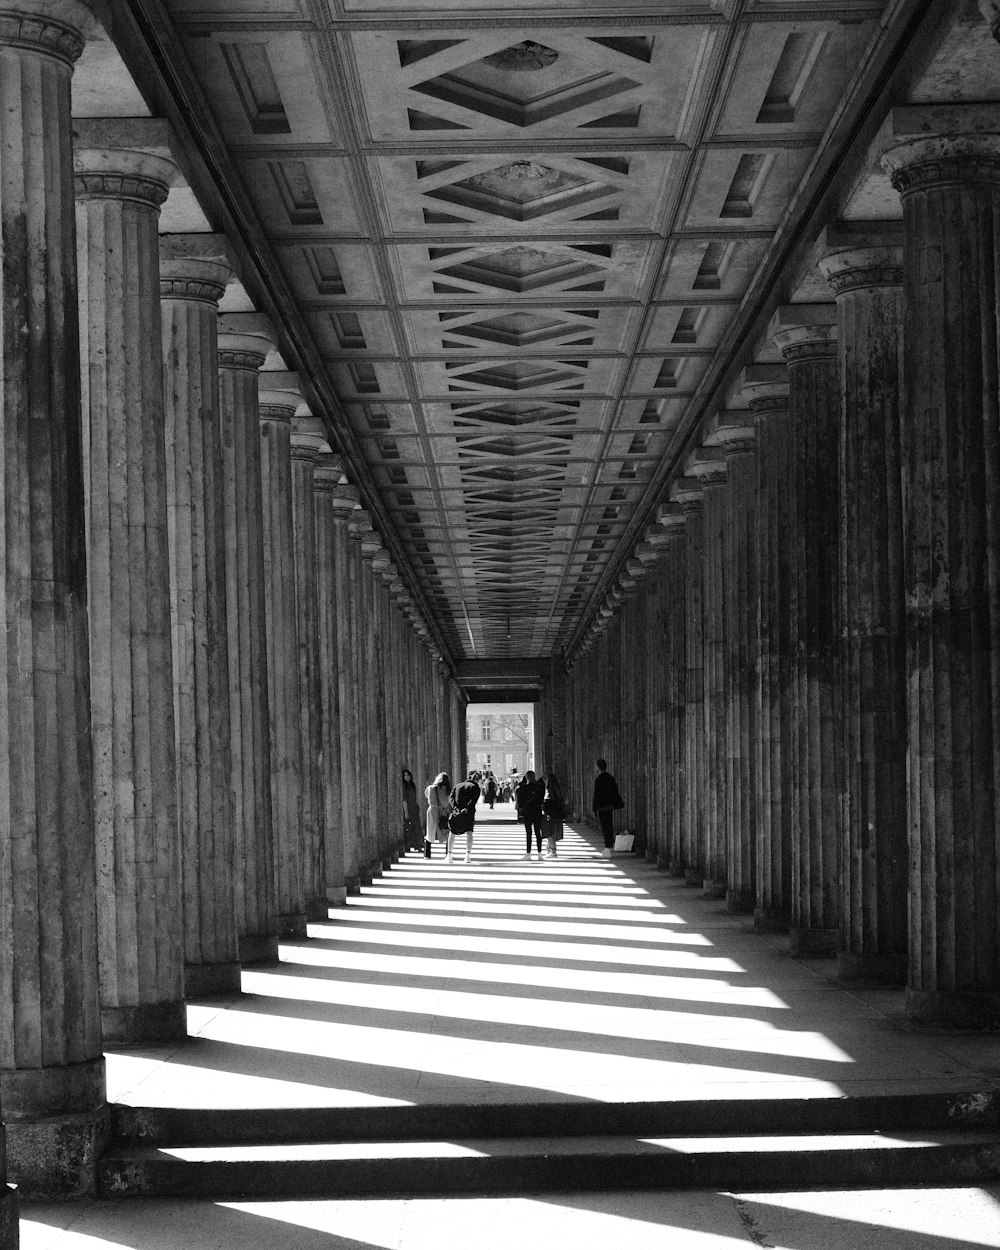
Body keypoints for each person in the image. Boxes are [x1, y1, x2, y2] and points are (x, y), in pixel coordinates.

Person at [448, 771, 481, 864]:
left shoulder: (458, 785)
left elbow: (451, 797)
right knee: (469, 833)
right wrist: (467, 808)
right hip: (468, 813)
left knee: (452, 832)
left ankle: (449, 855)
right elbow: (474, 800)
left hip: (456, 811)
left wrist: (455, 807)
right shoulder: (475, 787)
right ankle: (467, 855)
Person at [592, 758, 623, 858]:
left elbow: (596, 795)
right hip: (609, 806)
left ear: (598, 767)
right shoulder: (610, 778)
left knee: (605, 828)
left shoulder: (599, 779)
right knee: (609, 826)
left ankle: (607, 848)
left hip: (602, 807)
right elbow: (615, 791)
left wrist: (594, 808)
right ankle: (608, 846)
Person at [515, 769, 545, 860]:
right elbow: (541, 799)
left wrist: (521, 808)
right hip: (537, 811)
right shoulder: (540, 786)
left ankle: (528, 853)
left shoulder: (524, 787)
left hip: (528, 812)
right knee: (537, 832)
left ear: (527, 777)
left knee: (529, 833)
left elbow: (520, 800)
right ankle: (540, 853)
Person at [424, 772, 451, 859]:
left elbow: (426, 796)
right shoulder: (447, 790)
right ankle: (448, 853)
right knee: (446, 833)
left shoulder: (431, 788)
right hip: (443, 812)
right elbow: (447, 802)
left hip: (432, 812)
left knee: (430, 833)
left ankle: (427, 855)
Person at [541, 772, 565, 859]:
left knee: (549, 833)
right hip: (556, 814)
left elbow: (547, 801)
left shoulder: (550, 790)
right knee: (551, 833)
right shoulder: (558, 789)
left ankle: (553, 851)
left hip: (550, 814)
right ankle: (549, 850)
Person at [402, 768, 422, 851]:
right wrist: (406, 812)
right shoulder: (404, 787)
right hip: (409, 809)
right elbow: (404, 800)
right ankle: (413, 845)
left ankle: (418, 844)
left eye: (408, 775)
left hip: (414, 808)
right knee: (411, 827)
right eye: (405, 775)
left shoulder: (412, 785)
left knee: (417, 826)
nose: (407, 777)